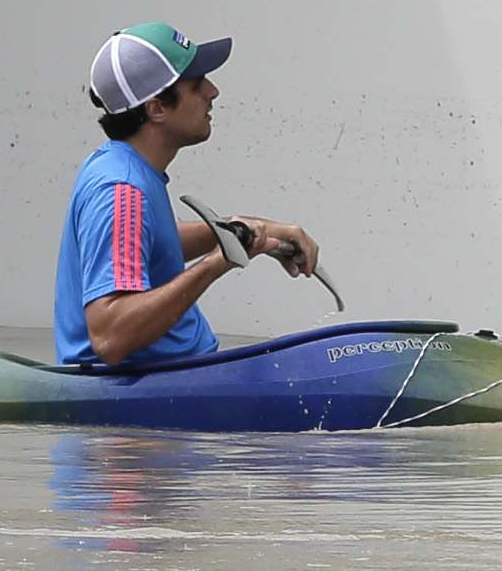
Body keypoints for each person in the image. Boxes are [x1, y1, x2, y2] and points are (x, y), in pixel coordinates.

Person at [54, 20, 321, 368]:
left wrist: (249, 228)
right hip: (139, 395)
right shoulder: (120, 191)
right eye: (197, 85)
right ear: (157, 108)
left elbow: (148, 242)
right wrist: (216, 263)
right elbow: (110, 336)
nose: (213, 91)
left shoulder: (122, 166)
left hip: (175, 375)